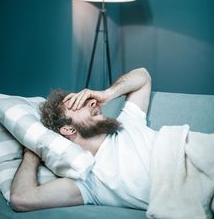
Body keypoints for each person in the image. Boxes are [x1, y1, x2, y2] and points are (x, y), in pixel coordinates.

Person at [10, 67, 154, 212]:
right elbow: (21, 199)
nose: (92, 102)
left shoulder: (127, 121)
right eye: (78, 104)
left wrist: (106, 94)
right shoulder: (89, 182)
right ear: (68, 129)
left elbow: (143, 76)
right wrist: (32, 151)